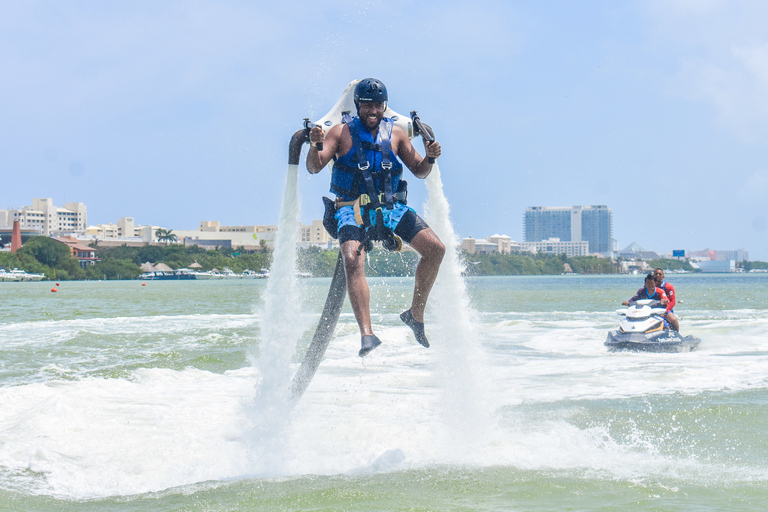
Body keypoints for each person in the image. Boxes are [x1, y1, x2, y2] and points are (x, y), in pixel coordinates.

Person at [306, 78, 445, 357]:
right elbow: (314, 168)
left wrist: (430, 158)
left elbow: (418, 170)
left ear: (384, 106)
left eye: (378, 105)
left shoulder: (396, 134)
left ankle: (415, 314)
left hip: (391, 209)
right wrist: (314, 145)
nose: (373, 110)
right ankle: (367, 334)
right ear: (358, 106)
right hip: (351, 208)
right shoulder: (339, 132)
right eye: (367, 105)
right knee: (351, 260)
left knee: (436, 249)